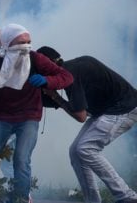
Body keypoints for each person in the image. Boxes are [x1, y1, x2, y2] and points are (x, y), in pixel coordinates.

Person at [0, 24, 74, 203]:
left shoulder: (36, 58)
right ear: (8, 44)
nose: (26, 47)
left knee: (21, 160)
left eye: (29, 42)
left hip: (28, 117)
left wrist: (47, 80)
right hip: (1, 117)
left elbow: (66, 76)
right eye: (21, 42)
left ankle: (20, 199)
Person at [37, 46, 137, 203]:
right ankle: (93, 200)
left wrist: (56, 97)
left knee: (85, 148)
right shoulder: (73, 68)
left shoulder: (70, 75)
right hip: (110, 109)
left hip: (124, 108)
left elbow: (81, 116)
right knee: (75, 152)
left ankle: (127, 197)